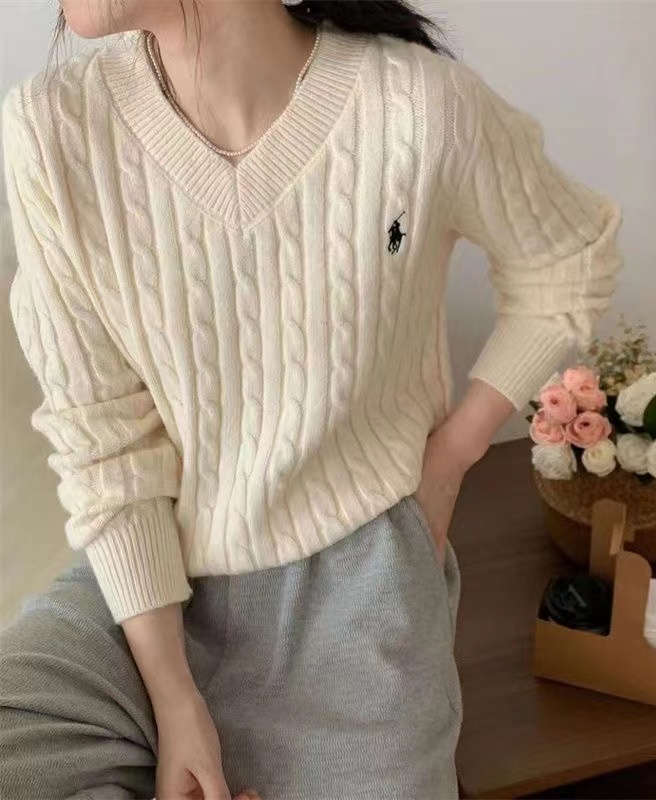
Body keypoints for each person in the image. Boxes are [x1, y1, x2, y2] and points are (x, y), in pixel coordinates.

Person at [0, 0, 624, 798]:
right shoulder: (53, 130)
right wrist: (175, 698)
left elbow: (570, 255)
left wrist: (452, 456)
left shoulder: (417, 106)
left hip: (359, 590)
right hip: (141, 596)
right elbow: (104, 440)